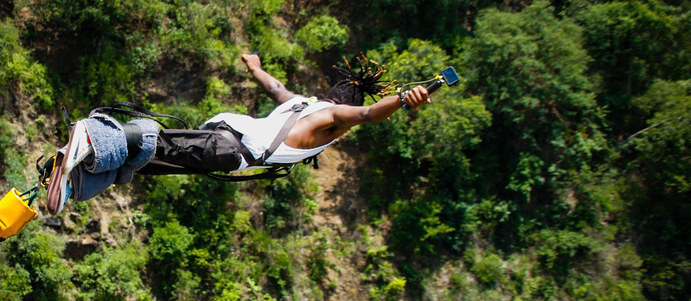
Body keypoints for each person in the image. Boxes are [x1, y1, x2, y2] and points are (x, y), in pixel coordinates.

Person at [45, 53, 433, 215]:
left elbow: (274, 88)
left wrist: (255, 67)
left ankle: (74, 180)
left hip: (224, 142)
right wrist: (403, 99)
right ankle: (91, 141)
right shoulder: (333, 118)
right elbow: (367, 112)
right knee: (152, 141)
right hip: (228, 149)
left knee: (144, 161)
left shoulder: (303, 104)